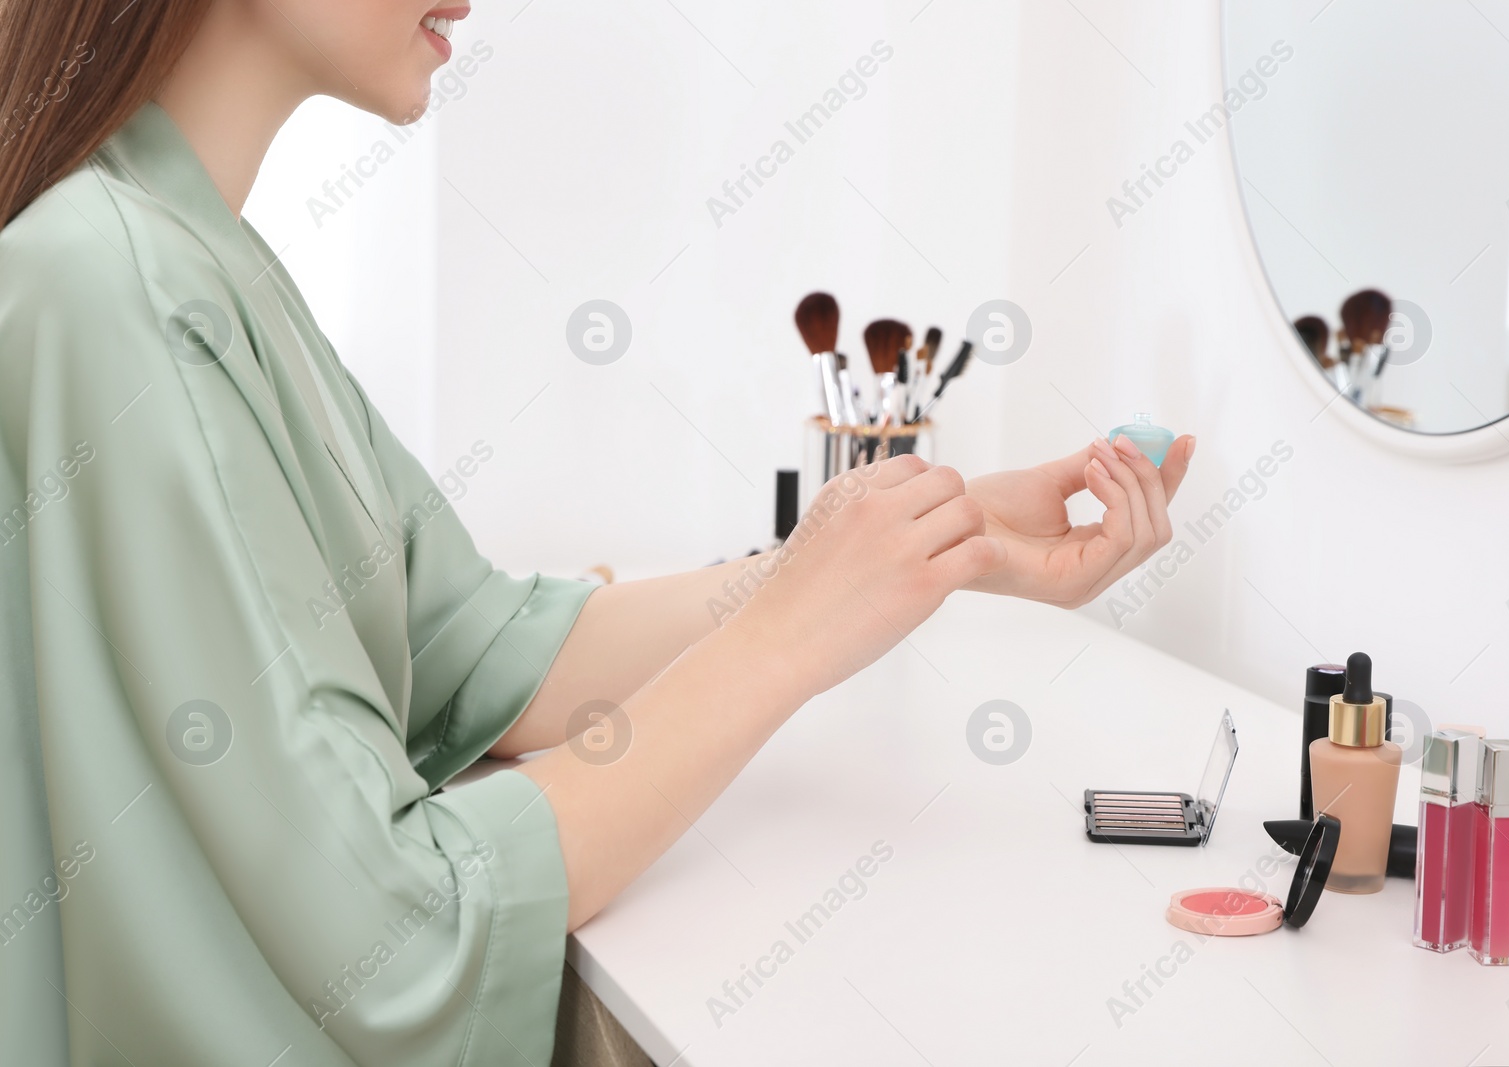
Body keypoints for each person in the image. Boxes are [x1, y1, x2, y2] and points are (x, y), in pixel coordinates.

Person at [0, 2, 1194, 1063]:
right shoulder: (115, 289)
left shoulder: (197, 258)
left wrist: (937, 535)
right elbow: (396, 929)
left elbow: (481, 649)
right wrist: (784, 639)